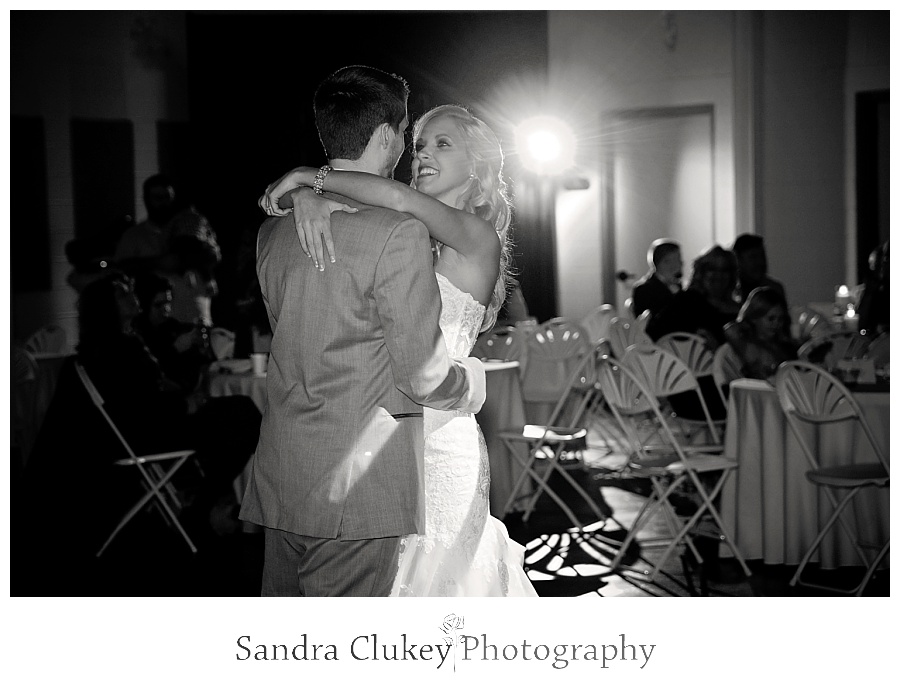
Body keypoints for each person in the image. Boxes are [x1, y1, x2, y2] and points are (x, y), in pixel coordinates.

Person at [260, 98, 537, 595]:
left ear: (476, 166)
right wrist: (306, 197)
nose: (423, 155)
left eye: (442, 144)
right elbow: (370, 209)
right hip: (378, 439)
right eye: (419, 146)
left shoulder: (476, 237)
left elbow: (402, 199)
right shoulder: (402, 233)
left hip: (440, 443)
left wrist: (309, 176)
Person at [115, 174, 221, 275]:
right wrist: (158, 263)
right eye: (158, 198)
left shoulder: (190, 225)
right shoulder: (132, 236)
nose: (165, 203)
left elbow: (213, 254)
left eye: (168, 197)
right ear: (146, 200)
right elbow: (121, 267)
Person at [724, 286, 798, 380]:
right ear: (754, 317)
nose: (776, 324)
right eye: (771, 319)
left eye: (780, 319)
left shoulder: (782, 344)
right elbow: (730, 330)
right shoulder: (748, 346)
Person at [631, 239, 683, 319]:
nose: (681, 263)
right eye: (677, 259)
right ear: (664, 262)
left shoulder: (678, 285)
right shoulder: (644, 289)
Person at [731, 234, 786, 305]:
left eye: (762, 256)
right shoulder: (729, 291)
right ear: (738, 260)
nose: (760, 262)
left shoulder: (774, 289)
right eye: (753, 257)